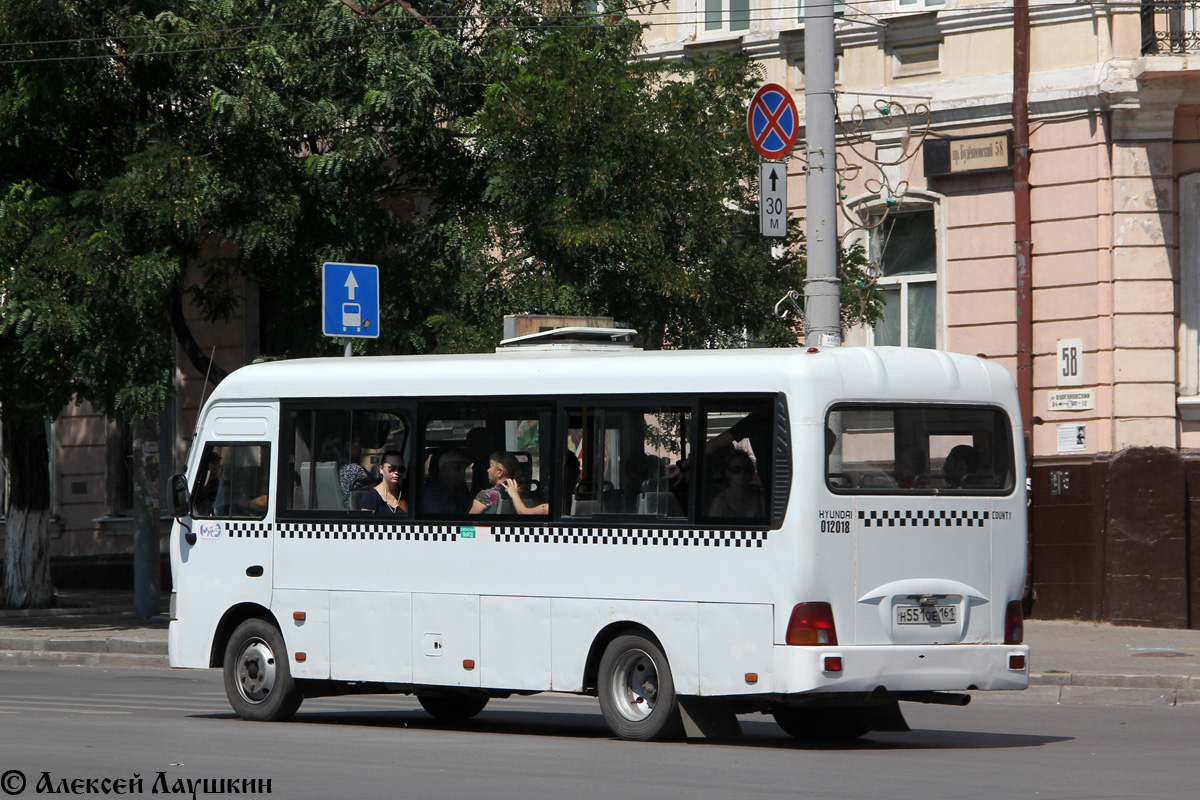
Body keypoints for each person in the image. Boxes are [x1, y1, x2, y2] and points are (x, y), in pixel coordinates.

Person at [470, 451, 547, 515]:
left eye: (490, 466)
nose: (488, 470)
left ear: (499, 472)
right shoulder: (526, 492)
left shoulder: (486, 495)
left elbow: (469, 523)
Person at [707, 450, 764, 518]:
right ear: (727, 473)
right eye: (736, 469)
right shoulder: (721, 501)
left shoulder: (761, 497)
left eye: (746, 469)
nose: (742, 473)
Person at [358, 450, 408, 515]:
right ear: (381, 469)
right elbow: (366, 523)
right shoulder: (370, 498)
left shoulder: (407, 495)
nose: (396, 472)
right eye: (392, 468)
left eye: (401, 469)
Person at [423, 450, 473, 514]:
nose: (463, 473)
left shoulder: (460, 491)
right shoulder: (432, 492)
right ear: (443, 470)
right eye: (457, 468)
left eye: (464, 469)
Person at [192, 450, 223, 516]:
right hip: (202, 514)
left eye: (217, 463)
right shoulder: (200, 482)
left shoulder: (217, 481)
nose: (216, 466)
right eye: (213, 463)